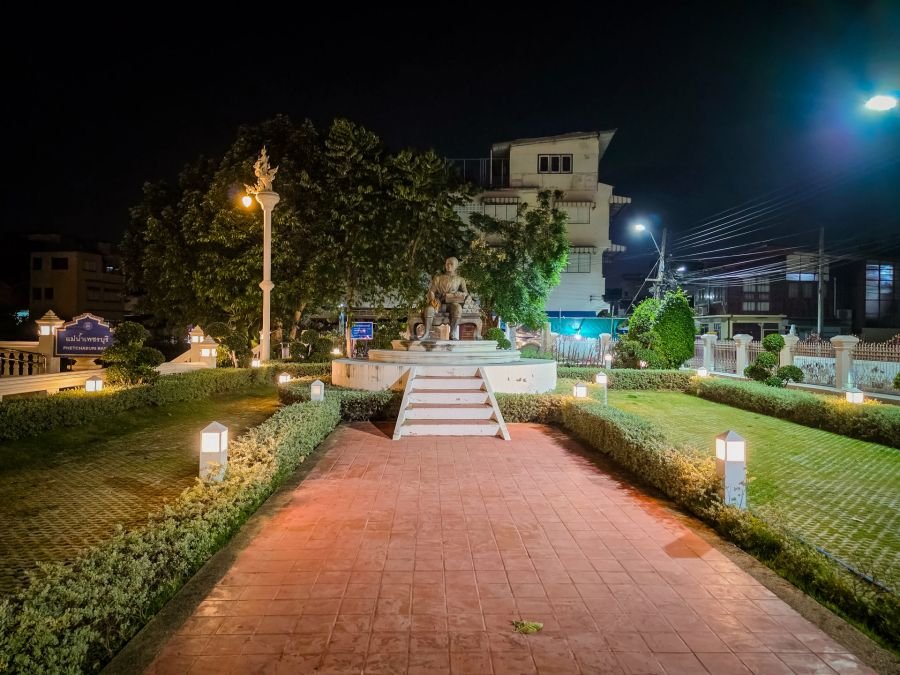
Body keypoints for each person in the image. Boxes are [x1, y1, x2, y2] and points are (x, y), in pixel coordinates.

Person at [416, 257, 470, 340]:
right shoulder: (438, 278)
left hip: (451, 303)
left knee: (458, 308)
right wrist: (431, 295)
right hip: (439, 302)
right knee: (429, 310)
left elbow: (466, 293)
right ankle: (426, 333)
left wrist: (461, 293)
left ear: (456, 266)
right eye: (447, 264)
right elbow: (432, 291)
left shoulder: (460, 280)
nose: (448, 266)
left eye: (451, 264)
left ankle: (453, 333)